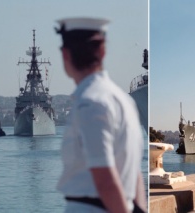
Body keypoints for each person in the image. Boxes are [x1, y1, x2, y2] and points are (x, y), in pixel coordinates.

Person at [55, 17, 147, 213]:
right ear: (103, 51)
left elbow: (105, 180)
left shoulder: (90, 102)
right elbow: (134, 173)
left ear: (65, 55)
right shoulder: (125, 101)